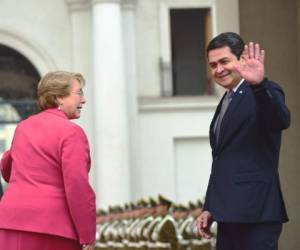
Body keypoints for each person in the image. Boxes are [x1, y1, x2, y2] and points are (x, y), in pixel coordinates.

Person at [196, 32, 290, 250]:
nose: (218, 70)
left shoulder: (263, 91)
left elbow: (280, 120)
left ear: (242, 60)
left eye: (224, 61)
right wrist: (210, 207)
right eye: (213, 65)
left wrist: (259, 86)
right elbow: (221, 160)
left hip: (256, 213)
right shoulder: (227, 99)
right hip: (228, 215)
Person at [0, 71, 96, 250]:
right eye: (79, 93)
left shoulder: (23, 127)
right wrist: (87, 233)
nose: (83, 100)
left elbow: (6, 168)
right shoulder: (71, 132)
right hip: (52, 228)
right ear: (59, 97)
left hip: (11, 223)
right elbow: (77, 185)